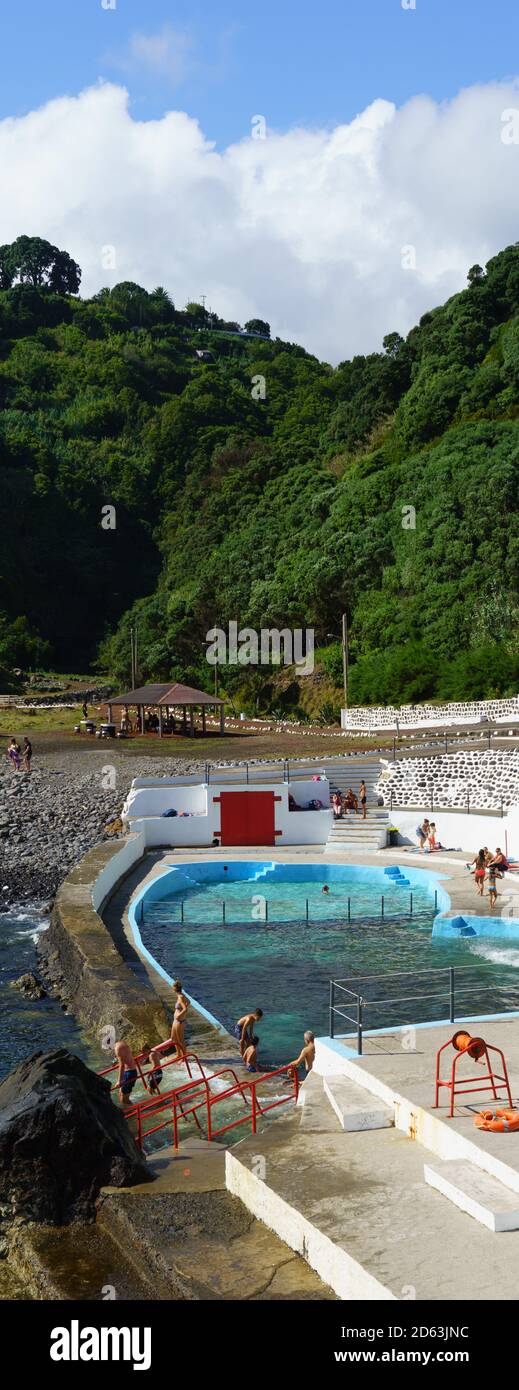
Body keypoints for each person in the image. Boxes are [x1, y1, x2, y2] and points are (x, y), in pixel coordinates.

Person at [114, 1038, 140, 1106]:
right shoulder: (122, 1044)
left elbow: (122, 1065)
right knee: (120, 1094)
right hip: (130, 1071)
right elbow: (125, 1058)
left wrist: (119, 1081)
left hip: (129, 1073)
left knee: (124, 1099)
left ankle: (138, 1110)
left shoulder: (118, 1048)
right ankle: (131, 1110)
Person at [170, 980, 189, 1059]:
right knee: (173, 1039)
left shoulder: (180, 997)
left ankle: (183, 1057)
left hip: (179, 1021)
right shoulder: (180, 995)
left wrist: (180, 1015)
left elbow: (185, 1009)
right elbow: (189, 1002)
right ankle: (178, 1055)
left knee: (180, 1040)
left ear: (175, 988)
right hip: (176, 1021)